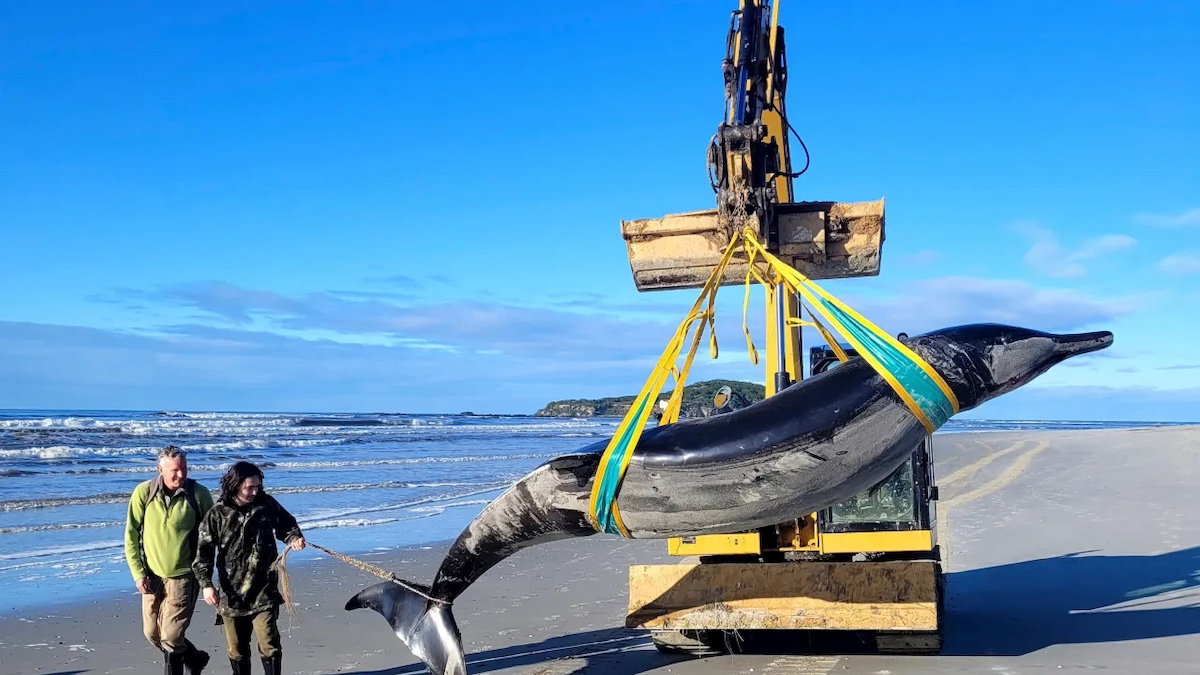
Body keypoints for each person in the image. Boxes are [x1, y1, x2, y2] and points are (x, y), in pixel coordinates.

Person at [193, 461, 306, 675]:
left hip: (264, 589)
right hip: (231, 593)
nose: (255, 491)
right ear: (235, 485)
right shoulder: (217, 513)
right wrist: (206, 585)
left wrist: (294, 538)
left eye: (258, 487)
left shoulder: (266, 504)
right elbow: (203, 553)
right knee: (237, 649)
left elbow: (287, 525)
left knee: (269, 642)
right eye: (249, 487)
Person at [124, 445, 215, 675]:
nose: (181, 475)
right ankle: (195, 659)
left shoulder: (199, 494)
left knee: (172, 637)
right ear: (160, 469)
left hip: (184, 577)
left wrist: (207, 580)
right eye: (175, 470)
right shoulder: (143, 493)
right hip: (151, 577)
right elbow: (131, 534)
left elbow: (212, 536)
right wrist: (138, 573)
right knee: (152, 633)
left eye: (184, 468)